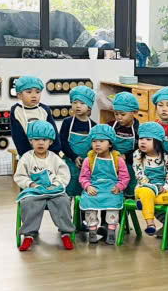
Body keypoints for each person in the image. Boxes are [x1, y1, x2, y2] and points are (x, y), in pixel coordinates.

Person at [13, 121, 75, 251]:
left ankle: (65, 232)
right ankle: (29, 234)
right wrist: (31, 184)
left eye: (44, 140)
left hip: (54, 191)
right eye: (36, 139)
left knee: (64, 201)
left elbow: (63, 174)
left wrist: (56, 184)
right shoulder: (26, 158)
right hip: (34, 191)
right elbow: (20, 176)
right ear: (31, 141)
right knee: (28, 202)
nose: (40, 143)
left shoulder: (55, 158)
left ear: (50, 142)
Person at [78, 124, 130, 245]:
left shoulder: (118, 159)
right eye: (94, 141)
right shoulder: (89, 160)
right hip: (94, 188)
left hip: (111, 189)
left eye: (101, 141)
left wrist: (119, 187)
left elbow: (125, 177)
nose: (97, 144)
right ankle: (92, 231)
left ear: (110, 144)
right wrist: (88, 186)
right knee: (88, 201)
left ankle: (111, 232)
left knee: (113, 201)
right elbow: (83, 177)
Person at [132, 121, 168, 236]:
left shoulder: (165, 156)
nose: (143, 142)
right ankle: (150, 224)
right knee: (147, 193)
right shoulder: (137, 154)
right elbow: (139, 173)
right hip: (143, 187)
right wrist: (150, 186)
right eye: (141, 138)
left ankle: (144, 202)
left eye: (148, 139)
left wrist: (166, 187)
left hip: (161, 189)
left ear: (157, 142)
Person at [58, 86, 97, 201]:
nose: (78, 106)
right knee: (67, 193)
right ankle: (66, 211)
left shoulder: (94, 126)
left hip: (87, 164)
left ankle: (82, 212)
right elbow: (62, 142)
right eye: (75, 102)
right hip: (70, 163)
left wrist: (88, 160)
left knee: (84, 193)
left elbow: (95, 146)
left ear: (89, 107)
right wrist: (74, 157)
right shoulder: (67, 122)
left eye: (82, 103)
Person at [9, 76, 59, 157]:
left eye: (37, 92)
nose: (34, 95)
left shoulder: (44, 109)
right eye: (29, 92)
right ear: (19, 95)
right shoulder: (16, 111)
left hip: (47, 154)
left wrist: (54, 153)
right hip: (26, 155)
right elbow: (18, 137)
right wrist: (28, 156)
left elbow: (54, 133)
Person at [110, 91, 142, 199]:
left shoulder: (139, 130)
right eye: (116, 114)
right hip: (113, 163)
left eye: (123, 114)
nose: (119, 117)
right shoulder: (111, 126)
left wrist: (127, 156)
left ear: (134, 112)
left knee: (129, 193)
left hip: (131, 165)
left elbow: (140, 149)